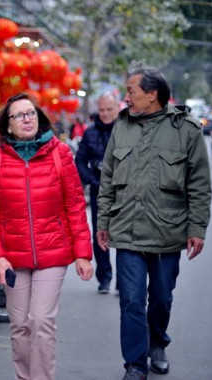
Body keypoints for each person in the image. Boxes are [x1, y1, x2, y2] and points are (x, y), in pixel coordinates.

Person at [96, 67, 212, 380]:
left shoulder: (186, 129)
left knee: (161, 297)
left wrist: (197, 229)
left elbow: (199, 183)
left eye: (131, 90)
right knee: (131, 300)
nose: (126, 97)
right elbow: (107, 177)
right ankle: (135, 364)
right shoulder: (122, 126)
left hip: (168, 229)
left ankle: (158, 343)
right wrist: (103, 220)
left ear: (152, 94)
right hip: (128, 229)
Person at [0, 92, 93, 380]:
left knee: (41, 321)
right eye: (18, 115)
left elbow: (75, 205)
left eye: (31, 113)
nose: (26, 118)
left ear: (38, 119)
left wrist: (83, 253)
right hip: (12, 255)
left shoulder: (60, 153)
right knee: (19, 325)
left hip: (53, 250)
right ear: (8, 126)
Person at [75, 92, 120, 293]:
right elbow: (80, 161)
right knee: (100, 234)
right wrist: (94, 182)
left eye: (109, 109)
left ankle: (125, 278)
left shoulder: (127, 130)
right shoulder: (90, 132)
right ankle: (104, 277)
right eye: (101, 110)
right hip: (99, 191)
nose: (105, 114)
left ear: (118, 108)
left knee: (125, 236)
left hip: (124, 193)